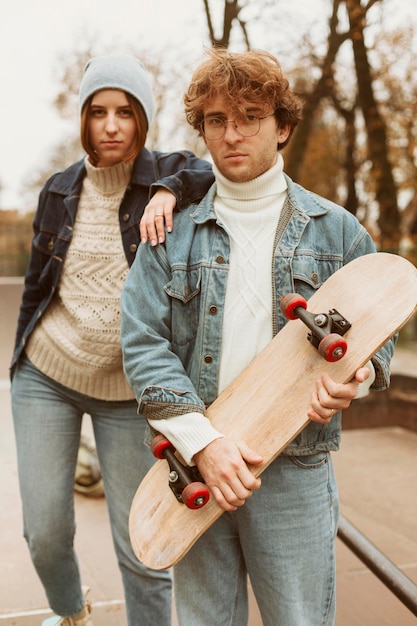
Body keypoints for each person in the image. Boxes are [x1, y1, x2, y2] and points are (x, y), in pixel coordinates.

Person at [121, 48, 395, 626]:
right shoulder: (168, 235)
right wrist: (202, 442)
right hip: (199, 464)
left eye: (250, 115)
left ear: (283, 126)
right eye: (217, 120)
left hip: (296, 468)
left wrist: (357, 378)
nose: (232, 133)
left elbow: (381, 332)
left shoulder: (337, 230)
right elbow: (144, 344)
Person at [10, 54, 214, 626]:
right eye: (97, 111)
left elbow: (214, 171)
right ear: (83, 119)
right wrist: (17, 362)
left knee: (142, 546)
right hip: (47, 376)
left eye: (126, 111)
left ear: (142, 119)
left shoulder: (170, 175)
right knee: (45, 529)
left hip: (129, 392)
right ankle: (71, 612)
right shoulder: (58, 190)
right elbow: (35, 286)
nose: (111, 125)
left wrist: (169, 190)